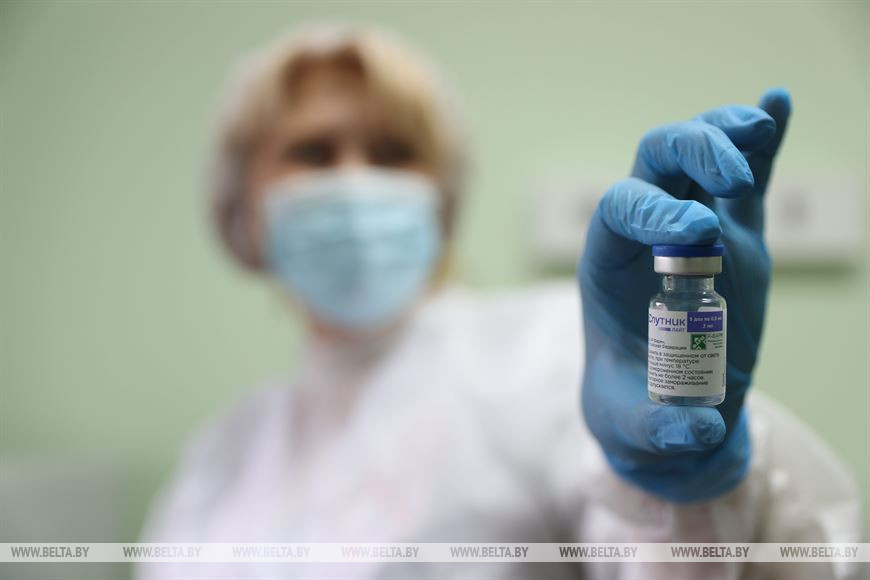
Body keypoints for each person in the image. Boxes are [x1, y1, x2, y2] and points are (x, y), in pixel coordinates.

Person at [136, 24, 863, 579]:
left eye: (392, 153)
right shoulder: (221, 459)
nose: (355, 181)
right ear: (242, 209)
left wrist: (684, 490)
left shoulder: (541, 356)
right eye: (314, 152)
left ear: (442, 200)